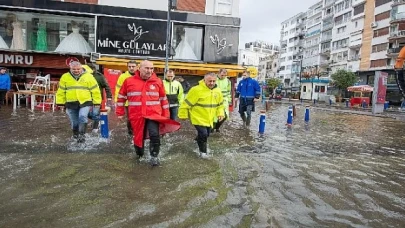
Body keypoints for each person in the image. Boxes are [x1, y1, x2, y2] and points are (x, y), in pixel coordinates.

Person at [116, 60, 180, 166]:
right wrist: (120, 112)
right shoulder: (129, 81)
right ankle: (139, 155)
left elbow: (163, 99)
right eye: (147, 68)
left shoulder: (158, 81)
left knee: (155, 135)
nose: (149, 71)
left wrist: (165, 116)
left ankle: (154, 157)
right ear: (139, 68)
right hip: (136, 115)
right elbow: (121, 97)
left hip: (153, 114)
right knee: (138, 137)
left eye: (151, 68)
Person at [178, 73, 225, 159]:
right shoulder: (196, 90)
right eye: (209, 81)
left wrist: (220, 113)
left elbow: (220, 105)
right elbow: (186, 104)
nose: (212, 83)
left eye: (214, 81)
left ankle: (197, 141)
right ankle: (203, 153)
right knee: (203, 134)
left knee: (207, 134)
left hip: (209, 118)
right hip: (197, 117)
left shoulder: (217, 91)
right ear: (204, 80)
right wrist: (183, 115)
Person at [56, 61, 101, 143]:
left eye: (78, 69)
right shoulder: (65, 77)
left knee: (83, 116)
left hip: (85, 101)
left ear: (81, 68)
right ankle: (75, 136)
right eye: (74, 69)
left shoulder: (89, 77)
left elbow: (95, 90)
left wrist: (97, 102)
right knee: (75, 123)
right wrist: (60, 103)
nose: (76, 71)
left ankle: (82, 136)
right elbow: (61, 91)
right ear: (70, 68)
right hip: (71, 103)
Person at [85, 64, 113, 133]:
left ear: (93, 69)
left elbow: (106, 86)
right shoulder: (84, 76)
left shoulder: (99, 76)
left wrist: (109, 97)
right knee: (86, 113)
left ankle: (95, 129)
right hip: (86, 99)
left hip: (97, 99)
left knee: (95, 113)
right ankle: (98, 120)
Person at [115, 60, 138, 137]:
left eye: (133, 66)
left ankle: (139, 133)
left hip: (140, 101)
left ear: (137, 67)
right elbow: (118, 89)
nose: (131, 68)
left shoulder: (141, 75)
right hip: (128, 102)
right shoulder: (123, 76)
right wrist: (117, 102)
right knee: (130, 118)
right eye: (129, 66)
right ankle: (131, 133)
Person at [212, 69, 231, 133]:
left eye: (225, 75)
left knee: (225, 115)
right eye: (222, 75)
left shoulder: (228, 81)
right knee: (213, 116)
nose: (223, 76)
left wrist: (229, 100)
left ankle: (217, 127)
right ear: (218, 73)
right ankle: (212, 128)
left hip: (224, 101)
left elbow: (228, 91)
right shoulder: (214, 80)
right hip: (214, 100)